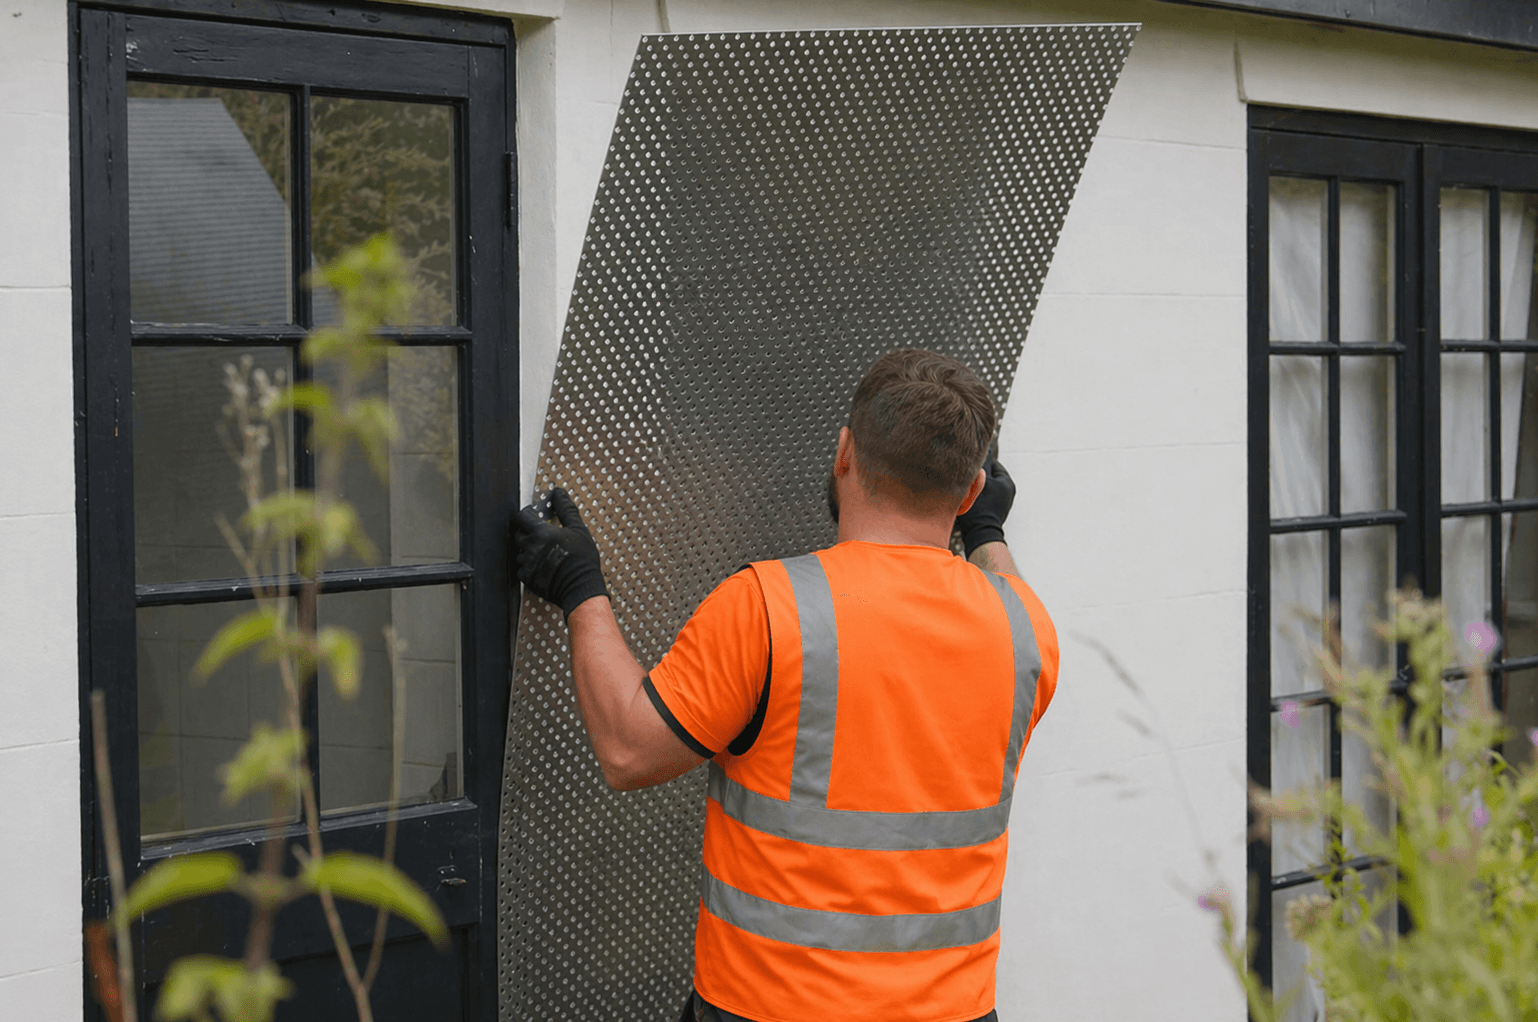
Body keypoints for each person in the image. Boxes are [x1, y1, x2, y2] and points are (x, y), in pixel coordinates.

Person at [511, 348, 1059, 1022]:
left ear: (843, 453)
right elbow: (1003, 582)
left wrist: (580, 590)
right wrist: (985, 531)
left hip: (769, 1008)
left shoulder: (767, 609)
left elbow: (629, 750)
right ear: (972, 490)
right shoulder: (1024, 627)